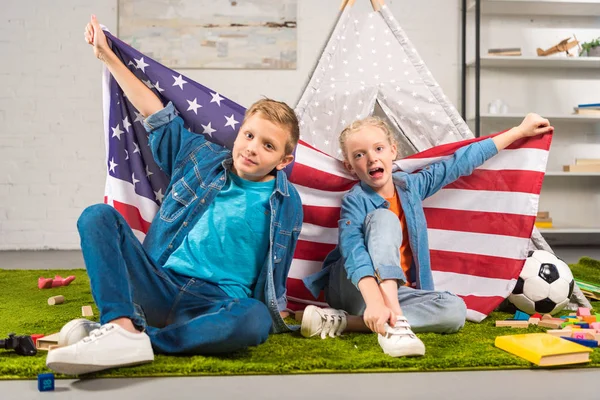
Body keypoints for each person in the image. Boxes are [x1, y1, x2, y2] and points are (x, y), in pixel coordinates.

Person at [46, 15, 303, 375]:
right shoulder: (201, 157)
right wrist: (107, 56)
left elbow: (275, 273)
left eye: (268, 145)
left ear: (284, 159)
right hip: (160, 283)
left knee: (256, 319)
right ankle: (121, 324)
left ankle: (140, 339)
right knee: (96, 216)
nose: (252, 148)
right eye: (248, 136)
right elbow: (157, 113)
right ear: (239, 132)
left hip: (215, 304)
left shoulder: (287, 204)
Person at [301, 114, 553, 357]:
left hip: (394, 296)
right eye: (359, 154)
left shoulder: (410, 187)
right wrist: (376, 300)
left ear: (393, 150)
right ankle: (395, 319)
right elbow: (354, 252)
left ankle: (347, 322)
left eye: (378, 149)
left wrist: (519, 131)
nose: (371, 158)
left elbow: (458, 163)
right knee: (384, 217)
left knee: (455, 310)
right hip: (356, 287)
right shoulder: (354, 201)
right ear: (350, 166)